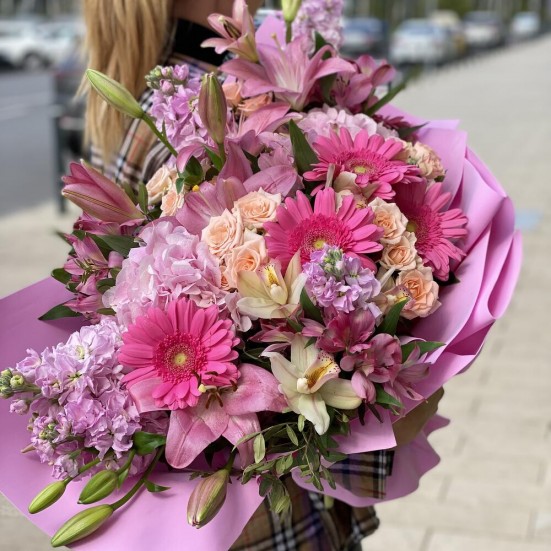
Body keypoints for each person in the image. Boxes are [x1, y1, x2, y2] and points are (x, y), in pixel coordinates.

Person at [81, 1, 444, 549]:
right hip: (266, 519)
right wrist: (391, 423)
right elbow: (287, 410)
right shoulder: (210, 106)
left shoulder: (137, 97)